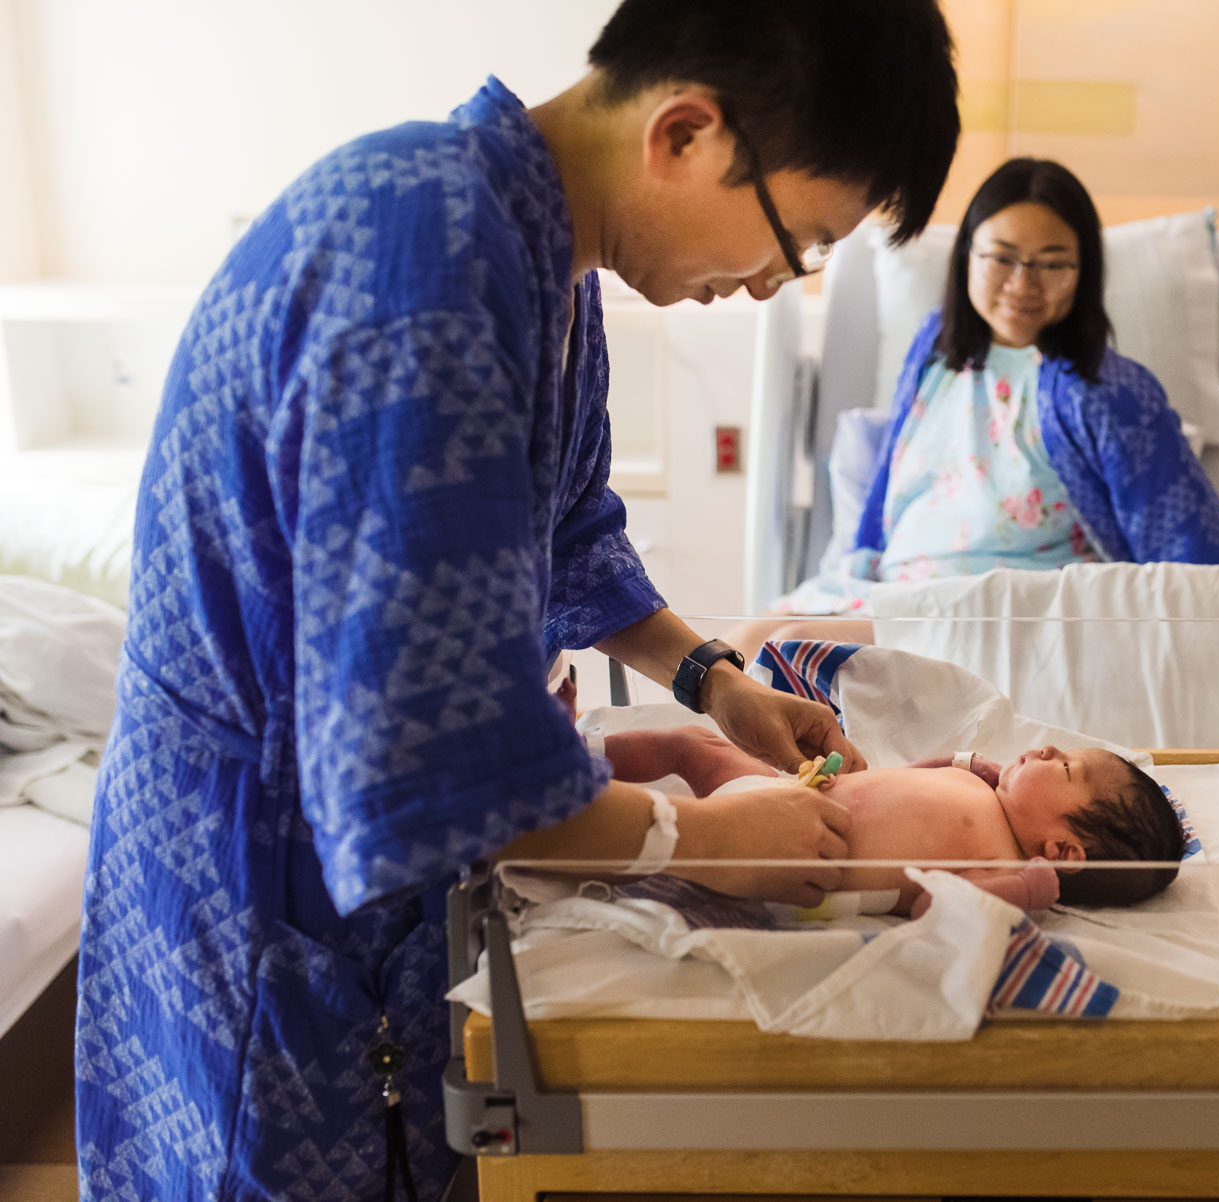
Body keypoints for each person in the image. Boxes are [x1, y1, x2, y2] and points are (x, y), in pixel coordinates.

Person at [74, 4, 959, 1199]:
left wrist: (720, 683)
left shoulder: (533, 253)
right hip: (265, 879)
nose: (766, 289)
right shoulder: (422, 275)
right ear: (687, 134)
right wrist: (697, 838)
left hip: (330, 845)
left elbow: (569, 530)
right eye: (793, 242)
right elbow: (424, 760)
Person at [742, 157, 1219, 649]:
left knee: (792, 650)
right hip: (891, 594)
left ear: (1084, 270)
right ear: (967, 254)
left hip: (1007, 617)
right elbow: (891, 486)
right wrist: (861, 560)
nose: (1022, 284)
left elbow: (1193, 553)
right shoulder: (935, 348)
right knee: (739, 645)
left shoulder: (1109, 393)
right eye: (1002, 258)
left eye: (1051, 264)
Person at [596, 725, 1186, 912]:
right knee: (695, 746)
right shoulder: (981, 792)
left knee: (646, 852)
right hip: (779, 795)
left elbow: (935, 907)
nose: (1048, 749)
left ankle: (575, 826)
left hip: (775, 861)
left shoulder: (1000, 862)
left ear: (1062, 852)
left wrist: (1028, 890)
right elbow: (910, 775)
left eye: (1064, 770)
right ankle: (574, 753)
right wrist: (964, 762)